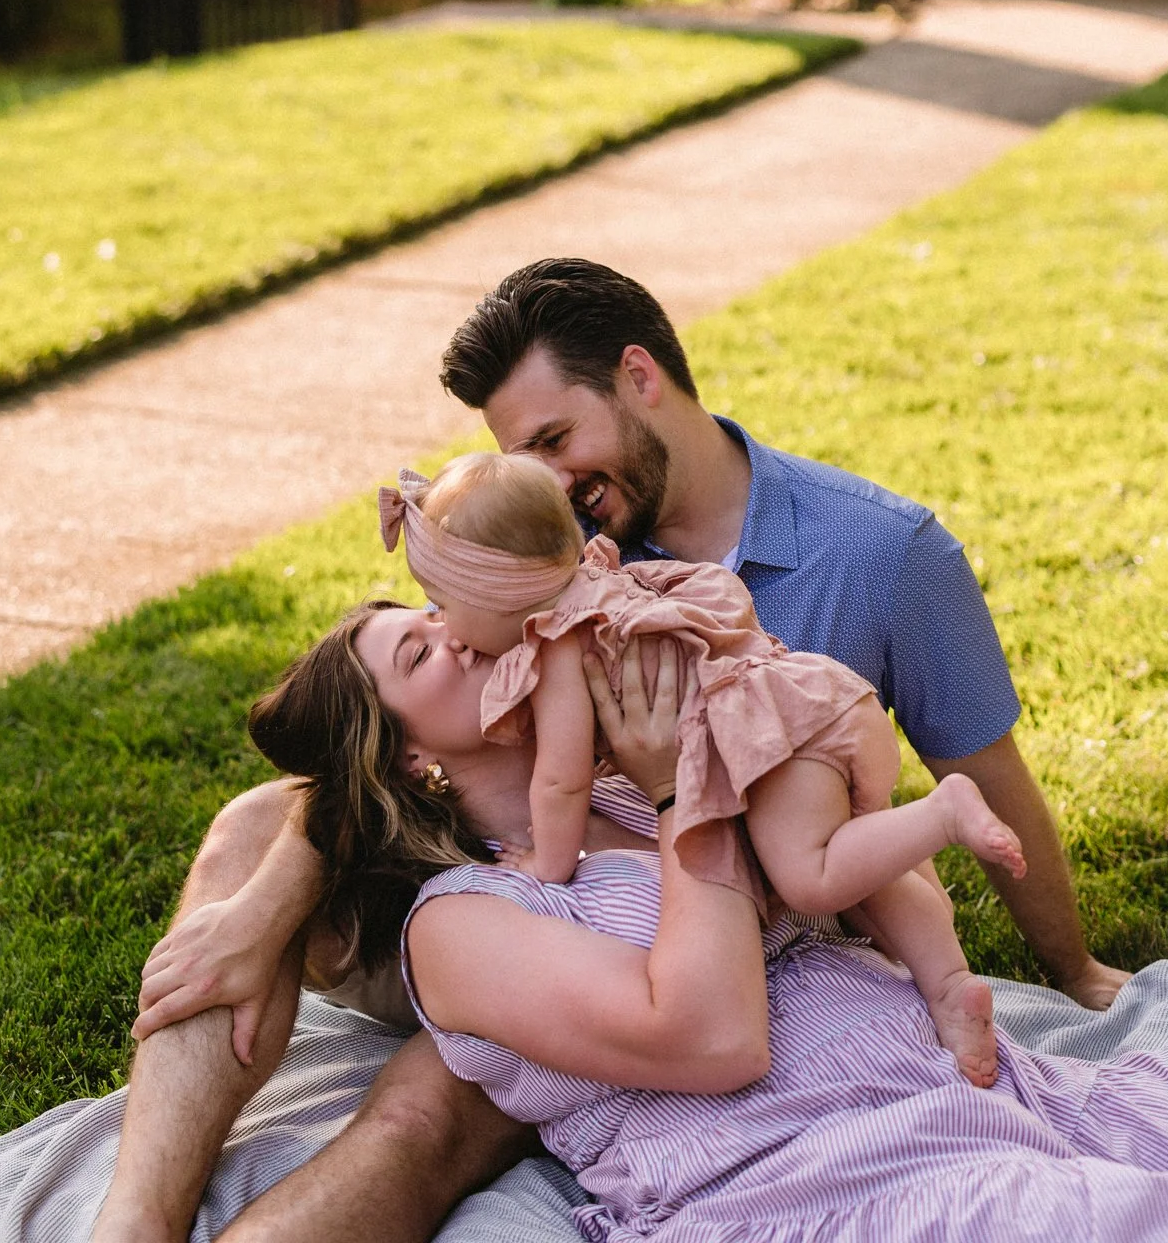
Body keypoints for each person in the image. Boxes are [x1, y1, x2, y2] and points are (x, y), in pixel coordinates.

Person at [244, 600, 1168, 1238]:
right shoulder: (461, 922)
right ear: (412, 757)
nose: (460, 634)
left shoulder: (629, 788)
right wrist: (686, 790)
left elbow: (869, 876)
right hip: (813, 1179)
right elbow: (712, 1036)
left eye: (441, 614)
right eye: (424, 653)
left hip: (992, 1095)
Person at [379, 452, 1026, 1086]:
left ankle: (944, 811)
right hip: (810, 696)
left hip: (770, 738)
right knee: (862, 877)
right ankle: (947, 984)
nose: (450, 630)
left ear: (498, 593)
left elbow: (562, 776)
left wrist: (549, 863)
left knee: (811, 875)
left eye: (440, 604)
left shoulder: (561, 645)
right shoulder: (606, 577)